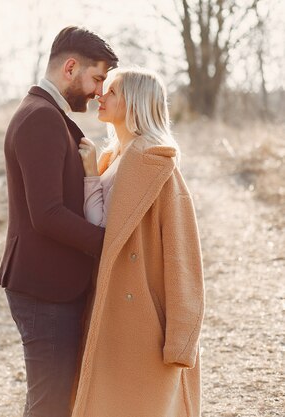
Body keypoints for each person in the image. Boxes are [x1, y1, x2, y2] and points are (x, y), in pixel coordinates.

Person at [0, 26, 118, 417]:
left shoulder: (45, 114)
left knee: (55, 402)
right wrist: (110, 243)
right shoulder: (40, 118)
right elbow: (46, 215)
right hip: (45, 290)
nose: (99, 91)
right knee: (50, 407)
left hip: (50, 286)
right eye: (97, 78)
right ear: (70, 67)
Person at [73, 68, 205, 417]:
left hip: (143, 323)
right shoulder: (114, 159)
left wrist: (181, 339)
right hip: (109, 310)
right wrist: (89, 172)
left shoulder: (159, 168)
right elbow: (101, 228)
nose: (101, 95)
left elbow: (183, 258)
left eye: (112, 91)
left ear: (135, 102)